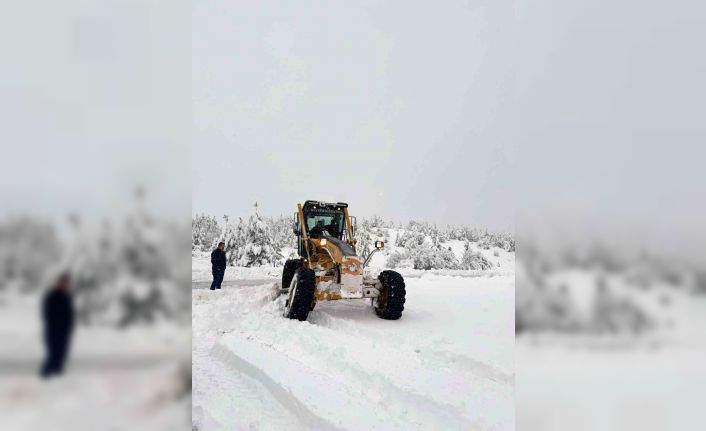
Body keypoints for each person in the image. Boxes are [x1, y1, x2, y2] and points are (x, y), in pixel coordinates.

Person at [40, 272, 75, 378]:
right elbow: (47, 313)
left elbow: (69, 314)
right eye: (65, 283)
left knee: (62, 354)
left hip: (64, 331)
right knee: (54, 353)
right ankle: (46, 375)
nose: (67, 285)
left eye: (68, 283)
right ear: (60, 283)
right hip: (54, 330)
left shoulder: (67, 296)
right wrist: (55, 325)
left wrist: (68, 327)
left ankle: (57, 374)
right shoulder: (52, 296)